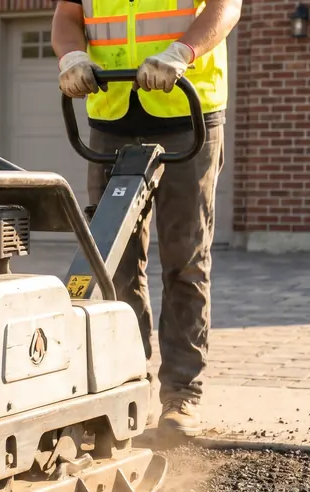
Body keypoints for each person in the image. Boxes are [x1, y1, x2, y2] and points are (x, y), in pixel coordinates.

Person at [52, 0, 240, 441]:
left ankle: (181, 395)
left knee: (185, 257)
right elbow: (67, 14)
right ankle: (126, 384)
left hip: (185, 109)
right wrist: (71, 56)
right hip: (112, 110)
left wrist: (181, 53)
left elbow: (226, 7)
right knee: (113, 262)